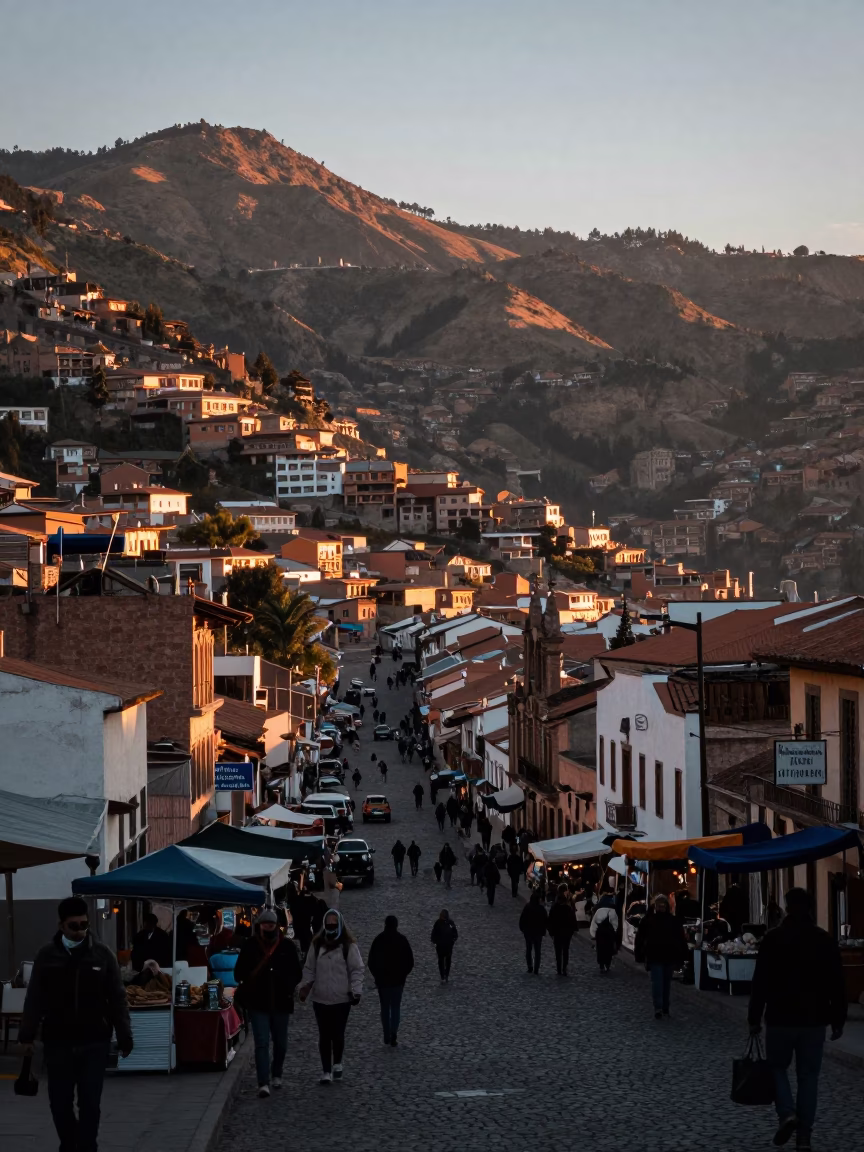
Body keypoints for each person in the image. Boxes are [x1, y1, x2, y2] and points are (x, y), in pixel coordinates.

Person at [19, 896, 133, 1152]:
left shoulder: (102, 955)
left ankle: (87, 1146)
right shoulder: (47, 955)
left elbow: (117, 997)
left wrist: (125, 1035)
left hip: (94, 1040)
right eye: (74, 926)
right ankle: (69, 1144)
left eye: (84, 925)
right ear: (61, 926)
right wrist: (26, 1036)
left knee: (90, 1102)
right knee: (59, 1102)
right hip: (58, 1041)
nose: (80, 931)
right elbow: (35, 997)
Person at [748, 887, 846, 1151]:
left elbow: (761, 982)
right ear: (811, 908)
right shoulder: (824, 939)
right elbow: (837, 983)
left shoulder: (773, 939)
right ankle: (804, 1136)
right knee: (809, 1076)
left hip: (780, 1016)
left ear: (787, 908)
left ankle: (787, 1113)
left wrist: (754, 1017)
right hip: (814, 1019)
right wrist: (838, 1018)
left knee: (777, 1068)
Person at [234, 908, 303, 1097]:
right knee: (262, 1043)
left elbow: (297, 972)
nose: (268, 928)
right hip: (258, 1003)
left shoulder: (287, 946)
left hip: (281, 1003)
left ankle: (277, 1073)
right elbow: (238, 972)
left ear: (276, 926)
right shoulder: (250, 946)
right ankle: (263, 1082)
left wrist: (287, 985)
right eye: (265, 925)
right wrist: (250, 982)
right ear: (260, 926)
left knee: (281, 1044)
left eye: (271, 925)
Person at [299, 909, 364, 1084]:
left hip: (341, 998)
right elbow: (309, 969)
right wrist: (305, 987)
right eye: (329, 923)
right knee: (324, 1035)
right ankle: (326, 1070)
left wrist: (356, 990)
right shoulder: (317, 944)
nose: (331, 926)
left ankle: (337, 1063)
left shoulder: (348, 946)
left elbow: (356, 969)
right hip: (320, 998)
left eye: (335, 923)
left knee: (338, 1034)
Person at [634, 894, 688, 1018]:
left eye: (663, 906)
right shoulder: (651, 920)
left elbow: (680, 939)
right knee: (661, 983)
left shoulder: (654, 920)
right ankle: (661, 1007)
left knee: (662, 983)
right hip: (658, 957)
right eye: (660, 906)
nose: (661, 908)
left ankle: (662, 1007)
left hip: (663, 956)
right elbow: (640, 939)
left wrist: (682, 955)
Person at [367, 915, 414, 1046]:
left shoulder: (379, 940)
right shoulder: (402, 940)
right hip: (398, 981)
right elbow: (410, 961)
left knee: (385, 1008)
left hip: (383, 982)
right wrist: (403, 975)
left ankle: (386, 1034)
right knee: (395, 1007)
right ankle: (393, 1033)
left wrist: (377, 976)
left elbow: (371, 961)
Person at [547, 884, 578, 975]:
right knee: (565, 950)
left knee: (558, 951)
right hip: (566, 932)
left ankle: (559, 968)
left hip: (557, 932)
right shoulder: (568, 906)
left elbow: (550, 920)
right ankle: (564, 968)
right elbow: (572, 919)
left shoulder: (555, 906)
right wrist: (573, 930)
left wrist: (551, 932)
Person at [590, 892, 620, 974]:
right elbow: (615, 924)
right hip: (609, 934)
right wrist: (614, 933)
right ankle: (607, 964)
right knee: (608, 950)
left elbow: (594, 923)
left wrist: (593, 934)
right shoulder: (613, 911)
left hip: (600, 933)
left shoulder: (599, 910)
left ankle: (601, 965)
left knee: (600, 950)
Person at [520, 889, 548, 974]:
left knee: (529, 949)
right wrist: (544, 930)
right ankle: (536, 968)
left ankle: (530, 966)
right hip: (538, 932)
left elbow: (522, 919)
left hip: (528, 932)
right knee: (537, 951)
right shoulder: (541, 909)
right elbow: (545, 921)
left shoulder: (527, 907)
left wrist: (522, 929)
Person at [431, 909, 459, 983]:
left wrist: (453, 941)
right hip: (440, 946)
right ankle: (443, 976)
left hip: (448, 945)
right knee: (441, 960)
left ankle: (446, 975)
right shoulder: (438, 923)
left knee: (447, 960)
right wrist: (435, 942)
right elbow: (434, 933)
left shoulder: (450, 923)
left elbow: (455, 933)